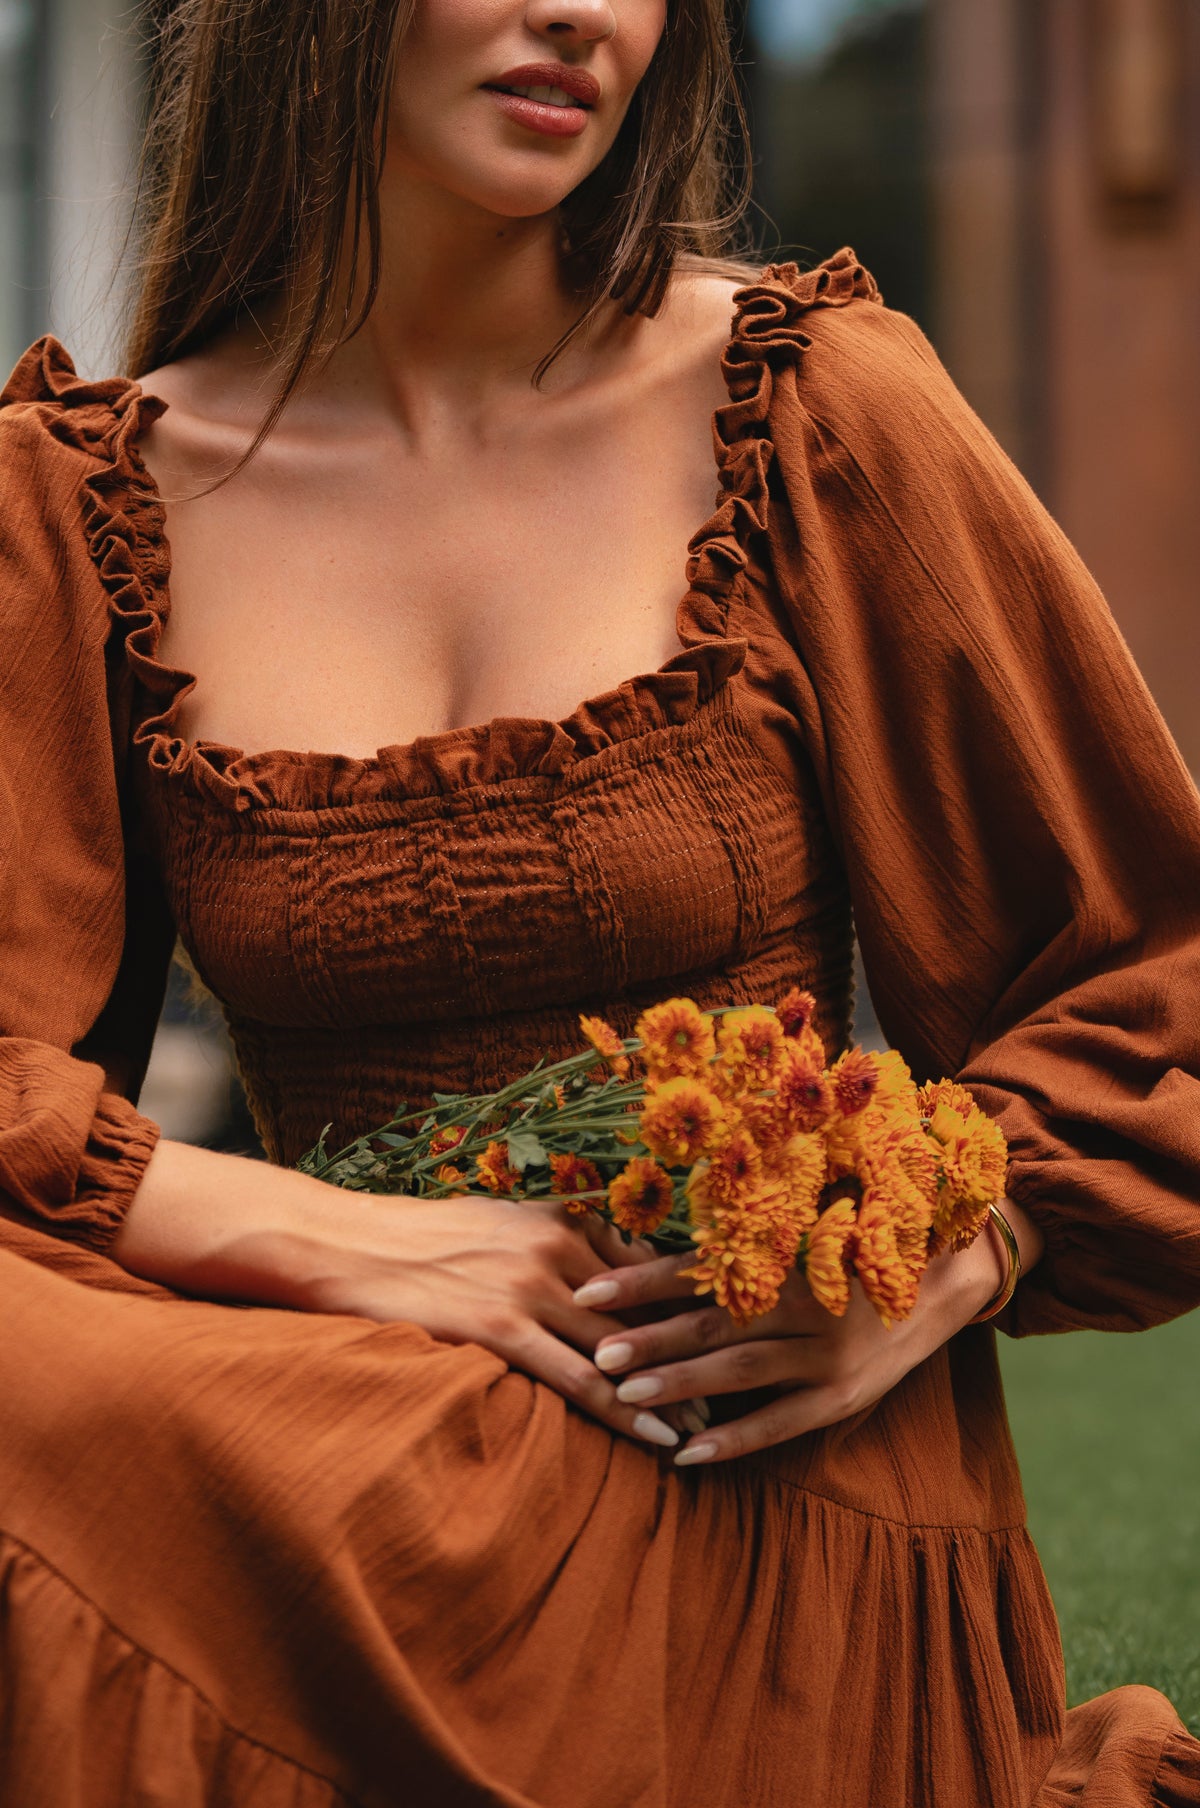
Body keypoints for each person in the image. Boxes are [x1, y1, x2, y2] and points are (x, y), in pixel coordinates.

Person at [1, 0, 1198, 1802]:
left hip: (743, 1479)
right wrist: (309, 1231)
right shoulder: (87, 501)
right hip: (318, 1444)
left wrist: (946, 1254)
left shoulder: (811, 407)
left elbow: (1159, 975)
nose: (584, 11)